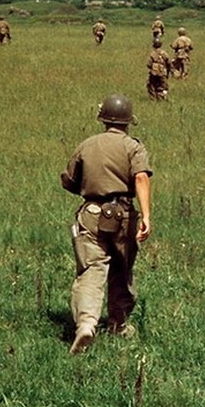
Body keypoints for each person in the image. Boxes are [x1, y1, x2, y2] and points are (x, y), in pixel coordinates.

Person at [60, 94, 152, 353]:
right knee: (122, 270)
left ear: (103, 118)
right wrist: (145, 215)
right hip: (123, 214)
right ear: (128, 120)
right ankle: (118, 324)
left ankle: (87, 325)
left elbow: (70, 180)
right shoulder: (133, 147)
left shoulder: (87, 145)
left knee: (91, 270)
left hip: (91, 212)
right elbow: (141, 178)